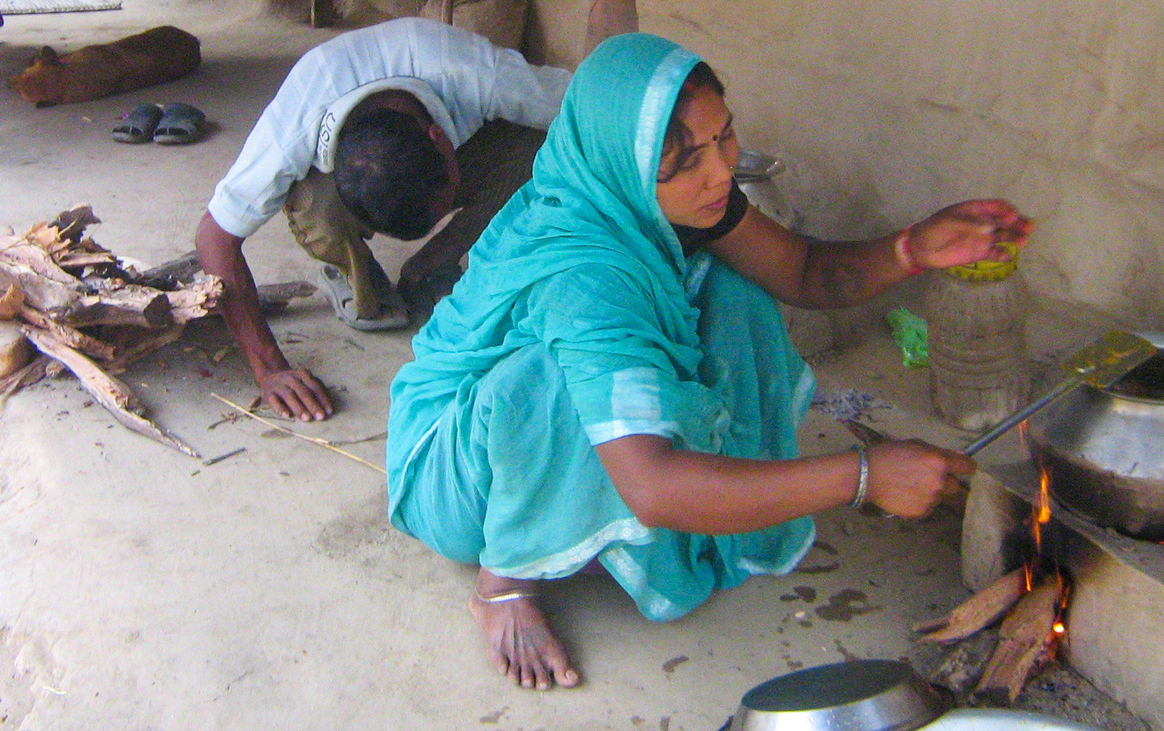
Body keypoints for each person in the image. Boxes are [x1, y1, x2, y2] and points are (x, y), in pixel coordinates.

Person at [384, 33, 1035, 690]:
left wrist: (912, 249)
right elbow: (654, 485)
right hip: (454, 470)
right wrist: (863, 476)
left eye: (723, 137)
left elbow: (803, 271)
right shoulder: (586, 278)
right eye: (685, 161)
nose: (720, 171)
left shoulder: (655, 197)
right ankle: (504, 585)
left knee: (734, 287)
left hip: (541, 427)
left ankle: (696, 501)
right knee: (552, 382)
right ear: (628, 164)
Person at [195, 1, 638, 422]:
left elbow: (590, 106)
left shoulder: (474, 73)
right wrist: (268, 368)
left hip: (459, 129)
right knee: (315, 205)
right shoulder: (295, 123)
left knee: (538, 150)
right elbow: (214, 238)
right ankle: (360, 279)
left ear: (440, 138)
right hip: (332, 183)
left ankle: (431, 264)